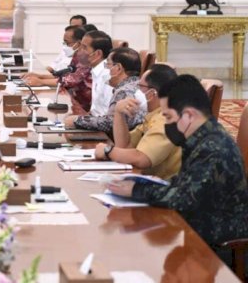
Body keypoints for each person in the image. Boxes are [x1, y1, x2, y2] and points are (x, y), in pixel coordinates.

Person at [107, 75, 248, 264]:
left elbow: (184, 199)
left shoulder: (213, 147)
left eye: (168, 117)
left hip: (216, 245)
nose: (166, 123)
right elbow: (183, 185)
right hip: (196, 230)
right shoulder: (200, 137)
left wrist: (136, 189)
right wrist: (139, 185)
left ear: (189, 115)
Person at [94, 64, 181, 179]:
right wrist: (119, 114)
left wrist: (107, 151)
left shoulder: (167, 119)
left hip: (168, 190)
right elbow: (124, 146)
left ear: (152, 93)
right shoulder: (153, 115)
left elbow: (142, 158)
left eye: (140, 86)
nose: (135, 90)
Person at [67, 47, 146, 133]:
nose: (106, 70)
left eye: (108, 65)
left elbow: (112, 123)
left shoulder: (124, 91)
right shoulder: (136, 84)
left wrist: (77, 121)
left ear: (118, 68)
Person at [22, 26, 92, 114]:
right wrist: (40, 76)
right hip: (75, 102)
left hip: (85, 108)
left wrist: (41, 81)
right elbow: (65, 74)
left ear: (78, 43)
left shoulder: (85, 60)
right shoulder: (76, 56)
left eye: (67, 43)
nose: (65, 46)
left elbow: (69, 80)